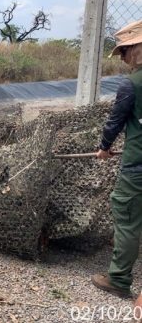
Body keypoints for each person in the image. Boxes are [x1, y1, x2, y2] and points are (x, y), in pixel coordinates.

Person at [92, 20, 142, 308]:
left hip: (137, 166)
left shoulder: (131, 85)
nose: (123, 58)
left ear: (136, 48)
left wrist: (104, 148)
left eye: (124, 51)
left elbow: (114, 122)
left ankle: (119, 280)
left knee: (126, 219)